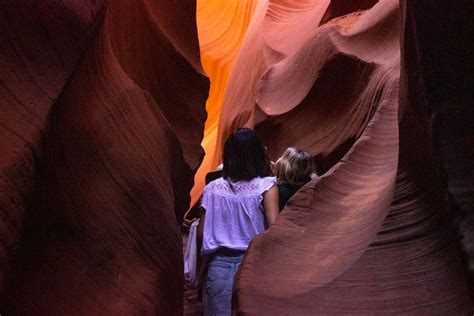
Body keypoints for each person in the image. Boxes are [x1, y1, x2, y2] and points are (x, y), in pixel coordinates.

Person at [197, 128, 279, 315]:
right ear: (257, 154)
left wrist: (201, 270)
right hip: (253, 264)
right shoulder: (266, 187)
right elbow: (274, 230)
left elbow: (202, 233)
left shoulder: (212, 189)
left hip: (218, 265)